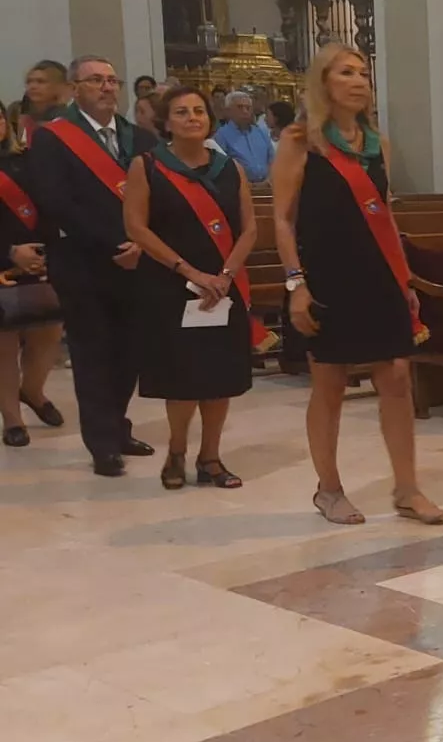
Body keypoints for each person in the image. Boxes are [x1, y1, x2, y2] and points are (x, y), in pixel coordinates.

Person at [272, 44, 443, 525]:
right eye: (345, 72)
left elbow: (384, 214)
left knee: (394, 379)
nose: (358, 80)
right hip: (325, 276)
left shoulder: (377, 143)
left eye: (364, 72)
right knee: (330, 383)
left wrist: (403, 277)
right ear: (323, 83)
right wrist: (295, 283)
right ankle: (329, 489)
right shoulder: (300, 141)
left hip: (379, 276)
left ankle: (407, 489)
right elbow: (283, 219)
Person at [121, 87, 259, 489]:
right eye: (181, 112)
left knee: (219, 377)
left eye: (199, 111)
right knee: (182, 378)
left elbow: (249, 228)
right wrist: (189, 272)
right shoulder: (147, 166)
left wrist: (226, 275)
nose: (192, 117)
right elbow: (136, 227)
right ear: (166, 122)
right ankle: (177, 452)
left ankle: (211, 458)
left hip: (223, 287)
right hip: (169, 286)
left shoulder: (228, 168)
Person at [27, 55, 159, 476]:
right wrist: (114, 242)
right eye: (96, 80)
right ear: (76, 88)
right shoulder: (54, 138)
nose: (106, 87)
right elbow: (56, 201)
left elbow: (156, 196)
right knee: (93, 352)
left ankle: (118, 428)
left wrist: (141, 243)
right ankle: (101, 443)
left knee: (130, 351)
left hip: (137, 261)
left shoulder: (140, 138)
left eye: (111, 79)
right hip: (83, 261)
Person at [0, 109, 64, 448]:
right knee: (4, 347)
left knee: (48, 336)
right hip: (3, 263)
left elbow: (50, 206)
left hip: (39, 261)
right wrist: (10, 252)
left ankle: (33, 391)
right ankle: (12, 419)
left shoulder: (25, 163)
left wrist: (43, 253)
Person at [212, 91, 275, 183]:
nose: (245, 111)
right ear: (228, 111)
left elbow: (272, 159)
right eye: (240, 107)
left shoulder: (261, 132)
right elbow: (222, 168)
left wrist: (268, 180)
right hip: (239, 188)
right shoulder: (221, 136)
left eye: (248, 108)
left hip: (267, 187)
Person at [12, 60, 71, 147]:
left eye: (41, 82)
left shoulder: (68, 120)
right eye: (29, 82)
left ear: (60, 86)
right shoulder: (26, 120)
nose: (33, 86)